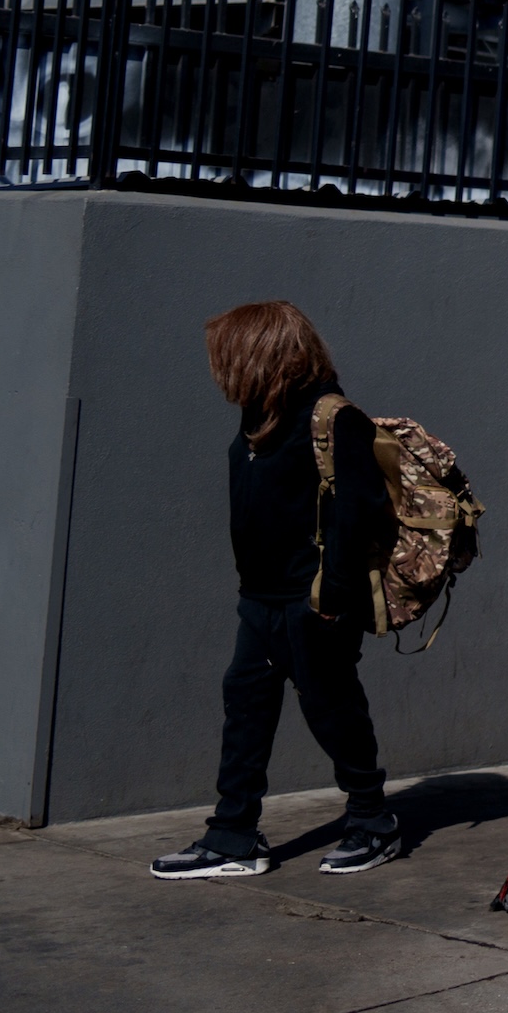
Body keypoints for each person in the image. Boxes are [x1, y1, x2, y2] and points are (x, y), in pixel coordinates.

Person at [151, 302, 407, 879]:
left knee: (331, 710)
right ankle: (233, 835)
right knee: (245, 710)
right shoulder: (256, 417)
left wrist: (332, 603)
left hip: (313, 603)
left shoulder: (333, 419)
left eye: (228, 356)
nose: (220, 369)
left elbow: (357, 516)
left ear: (261, 353)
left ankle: (372, 821)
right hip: (259, 600)